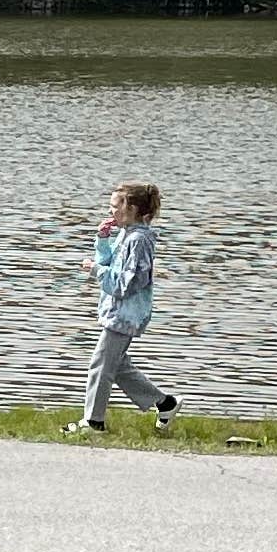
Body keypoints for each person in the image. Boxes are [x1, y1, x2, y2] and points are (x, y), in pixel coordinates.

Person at [71, 179, 177, 433]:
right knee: (117, 366)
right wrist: (102, 240)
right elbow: (109, 264)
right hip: (116, 312)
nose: (111, 211)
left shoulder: (139, 241)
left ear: (132, 209)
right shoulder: (126, 235)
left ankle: (94, 423)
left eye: (115, 206)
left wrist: (96, 270)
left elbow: (124, 285)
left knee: (100, 366)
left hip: (125, 315)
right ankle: (165, 403)